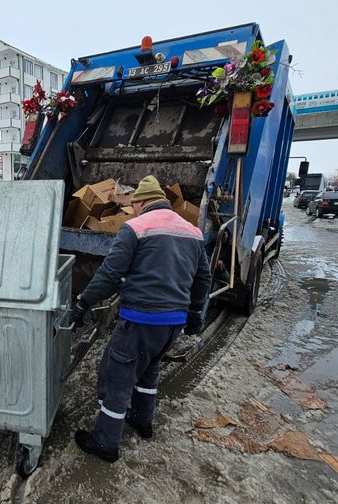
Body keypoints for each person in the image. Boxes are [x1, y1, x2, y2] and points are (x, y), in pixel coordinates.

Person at [71, 175, 212, 462]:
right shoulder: (192, 232)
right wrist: (195, 314)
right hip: (172, 323)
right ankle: (142, 421)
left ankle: (105, 442)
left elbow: (110, 274)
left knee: (117, 378)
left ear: (143, 202)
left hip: (141, 320)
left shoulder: (135, 228)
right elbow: (203, 278)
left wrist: (82, 303)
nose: (133, 210)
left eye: (134, 205)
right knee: (148, 370)